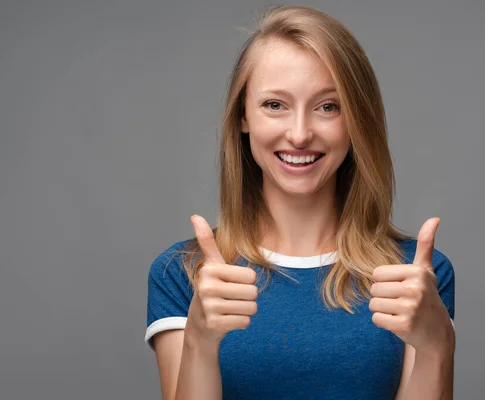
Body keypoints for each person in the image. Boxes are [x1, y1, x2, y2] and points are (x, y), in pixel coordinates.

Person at [145, 5, 455, 400]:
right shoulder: (183, 274)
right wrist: (199, 342)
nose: (300, 134)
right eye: (275, 105)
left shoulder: (416, 276)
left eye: (328, 106)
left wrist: (437, 346)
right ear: (243, 116)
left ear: (357, 120)